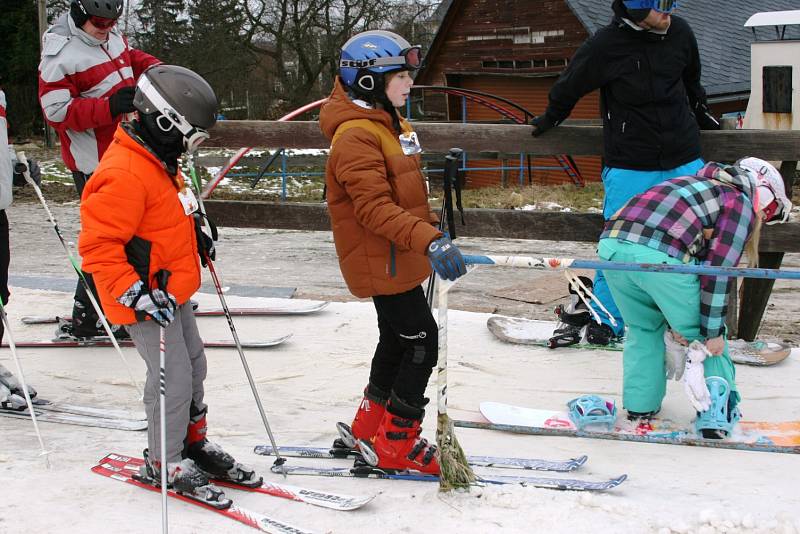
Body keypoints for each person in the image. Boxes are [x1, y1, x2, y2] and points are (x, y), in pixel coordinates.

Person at [77, 64, 257, 502]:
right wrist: (134, 292)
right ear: (164, 123)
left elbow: (166, 215)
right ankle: (163, 458)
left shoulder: (158, 160)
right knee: (171, 377)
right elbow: (97, 248)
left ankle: (192, 443)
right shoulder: (122, 172)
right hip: (142, 298)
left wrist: (197, 232)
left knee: (194, 365)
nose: (192, 148)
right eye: (191, 137)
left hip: (171, 291)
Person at [530, 0, 720, 346]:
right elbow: (570, 84)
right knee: (616, 245)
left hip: (683, 158)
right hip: (630, 164)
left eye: (672, 2)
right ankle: (607, 320)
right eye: (661, 5)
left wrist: (702, 111)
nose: (670, 12)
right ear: (635, 8)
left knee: (696, 244)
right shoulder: (606, 45)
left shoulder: (680, 32)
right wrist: (552, 117)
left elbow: (692, 81)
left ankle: (692, 327)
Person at [320, 30, 467, 474]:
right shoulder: (355, 137)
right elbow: (373, 209)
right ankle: (397, 442)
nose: (409, 84)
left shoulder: (389, 123)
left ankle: (368, 428)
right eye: (400, 75)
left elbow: (399, 190)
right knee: (422, 341)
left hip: (396, 255)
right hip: (380, 257)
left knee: (397, 339)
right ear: (368, 81)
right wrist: (428, 239)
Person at [597, 159, 792, 438]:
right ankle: (717, 414)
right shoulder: (739, 201)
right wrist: (711, 331)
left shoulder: (692, 184)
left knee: (643, 330)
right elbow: (717, 272)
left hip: (611, 249)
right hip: (661, 255)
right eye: (770, 211)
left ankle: (640, 406)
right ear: (763, 192)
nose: (764, 216)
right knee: (706, 338)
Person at [39, 0, 160, 339]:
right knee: (109, 241)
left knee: (134, 234)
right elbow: (57, 114)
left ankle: (118, 304)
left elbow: (130, 56)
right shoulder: (59, 57)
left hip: (125, 153)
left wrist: (159, 71)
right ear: (78, 15)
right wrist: (108, 107)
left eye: (112, 21)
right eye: (98, 21)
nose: (106, 27)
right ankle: (89, 316)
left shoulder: (106, 35)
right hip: (95, 163)